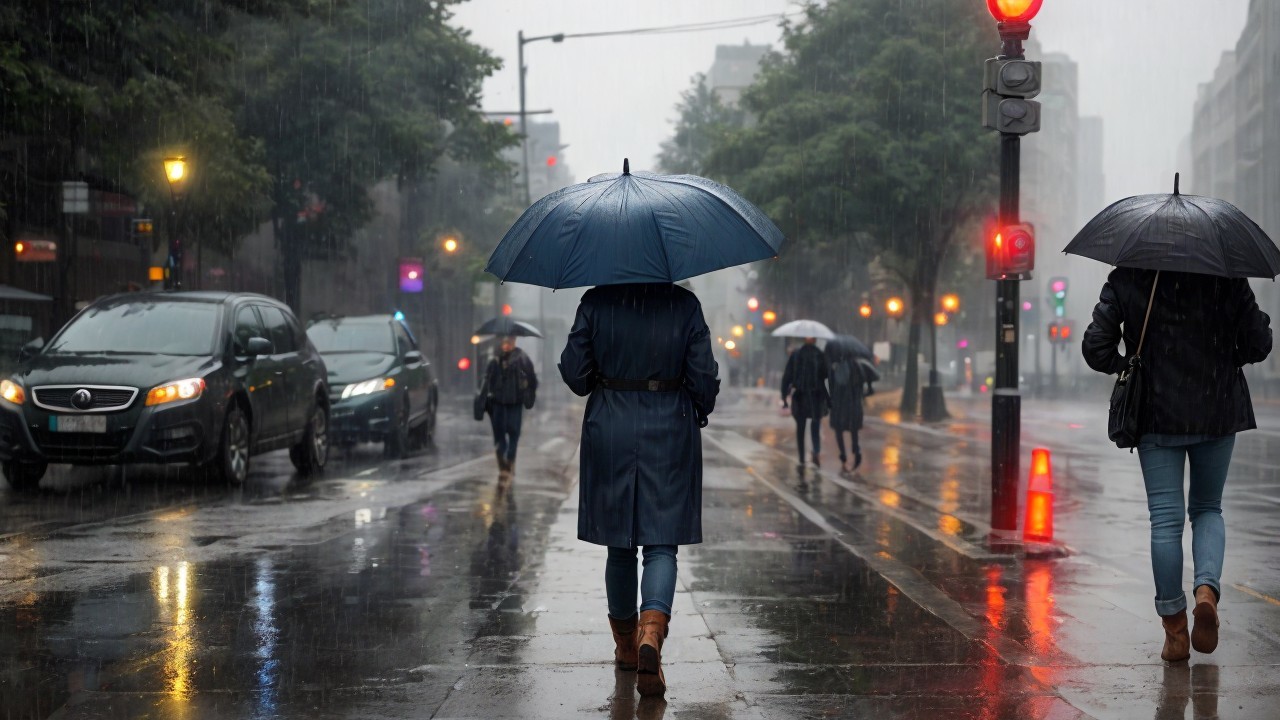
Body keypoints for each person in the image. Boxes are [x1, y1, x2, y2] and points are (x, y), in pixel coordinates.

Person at [1083, 267, 1271, 662]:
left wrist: (1129, 366)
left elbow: (1095, 346)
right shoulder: (1226, 275)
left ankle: (1175, 631)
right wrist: (1225, 357)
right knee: (1207, 509)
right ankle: (1206, 589)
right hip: (1217, 407)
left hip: (1155, 412)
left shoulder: (1128, 277)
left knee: (1165, 521)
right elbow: (1259, 343)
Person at [559, 283, 719, 698]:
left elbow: (575, 374)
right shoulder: (684, 304)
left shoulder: (597, 301)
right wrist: (698, 405)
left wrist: (605, 375)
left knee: (619, 545)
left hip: (610, 425)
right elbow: (703, 378)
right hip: (668, 426)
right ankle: (652, 634)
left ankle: (627, 646)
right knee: (662, 545)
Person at [482, 335, 537, 476]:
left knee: (514, 432)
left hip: (515, 402)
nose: (507, 344)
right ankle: (503, 461)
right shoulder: (494, 359)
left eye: (510, 341)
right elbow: (487, 380)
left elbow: (532, 378)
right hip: (498, 402)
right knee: (499, 433)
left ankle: (510, 460)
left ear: (514, 341)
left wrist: (528, 389)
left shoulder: (521, 358)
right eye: (504, 341)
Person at [781, 338, 829, 468]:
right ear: (814, 340)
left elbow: (787, 377)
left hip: (800, 396)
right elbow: (827, 375)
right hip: (816, 396)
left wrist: (784, 396)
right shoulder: (820, 355)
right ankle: (816, 451)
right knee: (815, 424)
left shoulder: (796, 355)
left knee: (800, 428)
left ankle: (802, 457)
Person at [825, 347, 867, 473]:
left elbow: (831, 386)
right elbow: (862, 385)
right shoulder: (859, 367)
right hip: (854, 404)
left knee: (839, 430)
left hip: (840, 403)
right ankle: (856, 450)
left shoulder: (838, 368)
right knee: (853, 430)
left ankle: (843, 454)